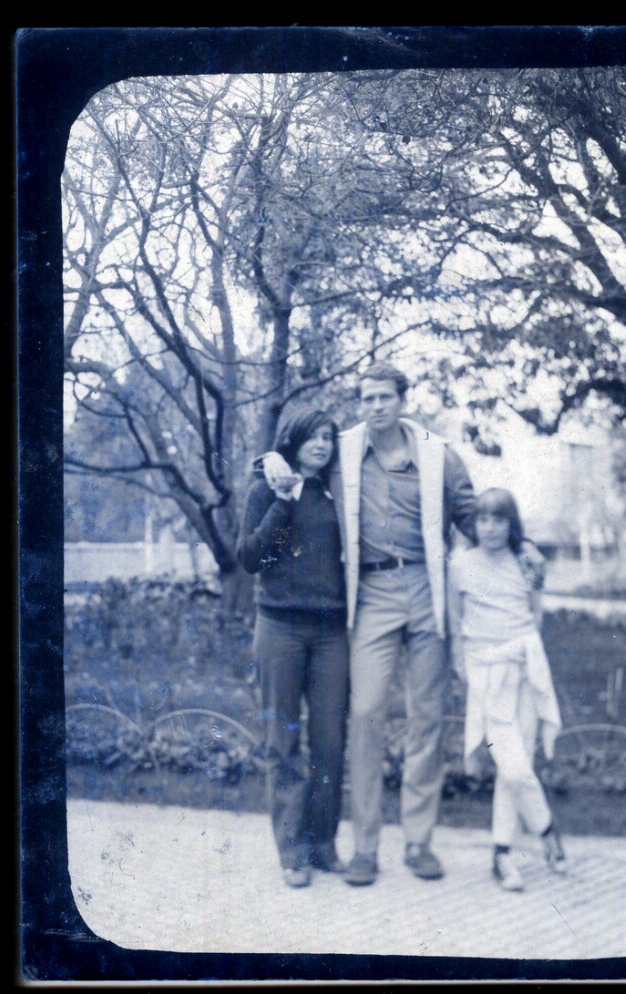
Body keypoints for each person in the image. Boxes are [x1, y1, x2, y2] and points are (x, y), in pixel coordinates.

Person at [328, 361, 476, 886]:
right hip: (372, 591)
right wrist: (270, 464)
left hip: (426, 589)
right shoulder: (343, 451)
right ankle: (365, 847)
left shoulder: (438, 453)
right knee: (366, 712)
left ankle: (419, 842)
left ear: (402, 400)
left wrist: (519, 542)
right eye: (367, 398)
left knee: (426, 717)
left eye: (385, 397)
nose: (376, 407)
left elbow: (470, 511)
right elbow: (298, 462)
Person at [236, 409, 349, 888]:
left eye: (327, 437)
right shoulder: (265, 488)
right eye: (312, 437)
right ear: (293, 440)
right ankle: (292, 851)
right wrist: (283, 500)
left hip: (331, 634)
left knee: (329, 743)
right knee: (282, 743)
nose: (321, 444)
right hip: (279, 628)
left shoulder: (338, 490)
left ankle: (323, 843)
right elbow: (252, 558)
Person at [447, 487, 567, 892]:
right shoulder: (461, 565)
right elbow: (456, 623)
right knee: (512, 765)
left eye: (498, 519)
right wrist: (465, 665)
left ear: (511, 523)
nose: (490, 528)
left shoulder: (527, 560)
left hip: (525, 669)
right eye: (483, 519)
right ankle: (547, 829)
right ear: (474, 524)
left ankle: (502, 855)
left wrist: (520, 651)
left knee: (516, 770)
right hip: (486, 673)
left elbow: (535, 615)